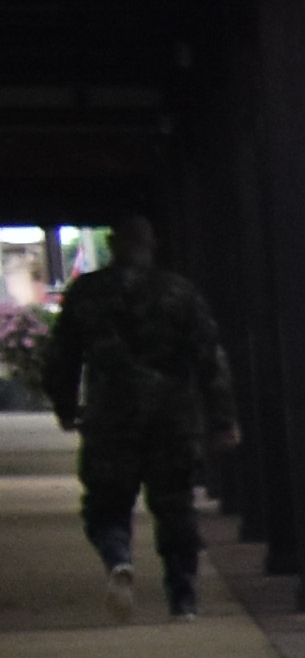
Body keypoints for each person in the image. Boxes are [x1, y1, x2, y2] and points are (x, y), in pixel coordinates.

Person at [36, 230, 232, 621]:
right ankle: (183, 596)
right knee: (176, 506)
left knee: (106, 504)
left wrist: (66, 407)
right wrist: (222, 418)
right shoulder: (179, 292)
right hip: (172, 418)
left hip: (111, 415)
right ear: (151, 245)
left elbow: (62, 356)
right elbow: (209, 358)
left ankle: (118, 558)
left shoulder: (88, 292)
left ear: (113, 244)